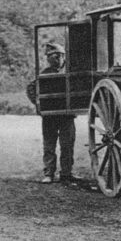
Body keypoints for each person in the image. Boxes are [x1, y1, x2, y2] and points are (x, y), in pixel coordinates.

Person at [26, 43, 77, 184]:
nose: (56, 59)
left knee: (67, 145)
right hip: (50, 117)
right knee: (49, 146)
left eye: (58, 56)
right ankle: (49, 173)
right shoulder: (44, 74)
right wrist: (38, 105)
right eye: (52, 56)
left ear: (63, 56)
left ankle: (66, 174)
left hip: (66, 116)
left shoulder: (70, 72)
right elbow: (31, 88)